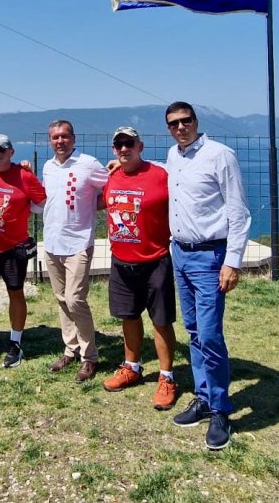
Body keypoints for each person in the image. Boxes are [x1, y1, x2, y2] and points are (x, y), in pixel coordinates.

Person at [164, 101, 251, 451]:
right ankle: (203, 397)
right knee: (195, 331)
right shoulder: (173, 156)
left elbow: (239, 213)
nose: (181, 127)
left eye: (186, 121)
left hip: (211, 257)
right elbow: (173, 180)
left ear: (196, 122)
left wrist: (233, 262)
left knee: (211, 335)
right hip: (180, 254)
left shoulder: (220, 155)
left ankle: (220, 409)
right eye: (174, 123)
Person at [101, 127, 178, 411]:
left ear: (140, 145)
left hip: (155, 259)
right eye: (118, 144)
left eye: (129, 143)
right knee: (128, 316)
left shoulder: (161, 175)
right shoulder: (110, 177)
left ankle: (167, 377)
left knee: (160, 320)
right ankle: (131, 367)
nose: (124, 149)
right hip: (121, 261)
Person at [0, 134, 46, 368]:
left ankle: (15, 343)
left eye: (1, 149)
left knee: (16, 293)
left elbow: (42, 202)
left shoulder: (24, 175)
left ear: (11, 152)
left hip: (13, 248)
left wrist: (26, 212)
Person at [42, 120, 108, 383]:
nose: (60, 141)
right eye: (55, 137)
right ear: (51, 140)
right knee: (60, 298)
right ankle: (70, 349)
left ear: (73, 138)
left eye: (65, 136)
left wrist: (93, 208)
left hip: (78, 243)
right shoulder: (47, 167)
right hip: (52, 242)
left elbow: (112, 187)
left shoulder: (88, 164)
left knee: (75, 299)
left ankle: (90, 357)